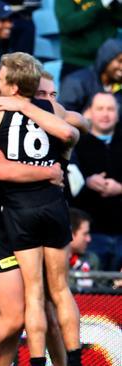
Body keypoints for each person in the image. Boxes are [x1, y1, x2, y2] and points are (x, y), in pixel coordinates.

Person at [0, 52, 82, 366]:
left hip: (13, 219)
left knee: (24, 308)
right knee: (10, 312)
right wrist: (50, 172)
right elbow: (5, 169)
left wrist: (18, 107)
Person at [73, 92, 122, 271]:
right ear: (89, 112)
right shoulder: (77, 144)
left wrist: (120, 188)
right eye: (100, 108)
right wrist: (86, 181)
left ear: (117, 114)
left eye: (110, 109)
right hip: (90, 236)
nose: (105, 114)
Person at [55, 0, 122, 79]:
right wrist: (101, 4)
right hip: (77, 64)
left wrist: (118, 4)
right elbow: (67, 25)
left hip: (107, 64)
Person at [59, 38, 122, 120]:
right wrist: (84, 121)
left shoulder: (118, 85)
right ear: (106, 59)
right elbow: (62, 117)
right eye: (120, 61)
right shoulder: (77, 82)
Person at [67, 208, 99, 288]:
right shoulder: (49, 261)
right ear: (70, 234)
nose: (89, 239)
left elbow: (101, 291)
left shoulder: (91, 259)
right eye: (85, 234)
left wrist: (116, 284)